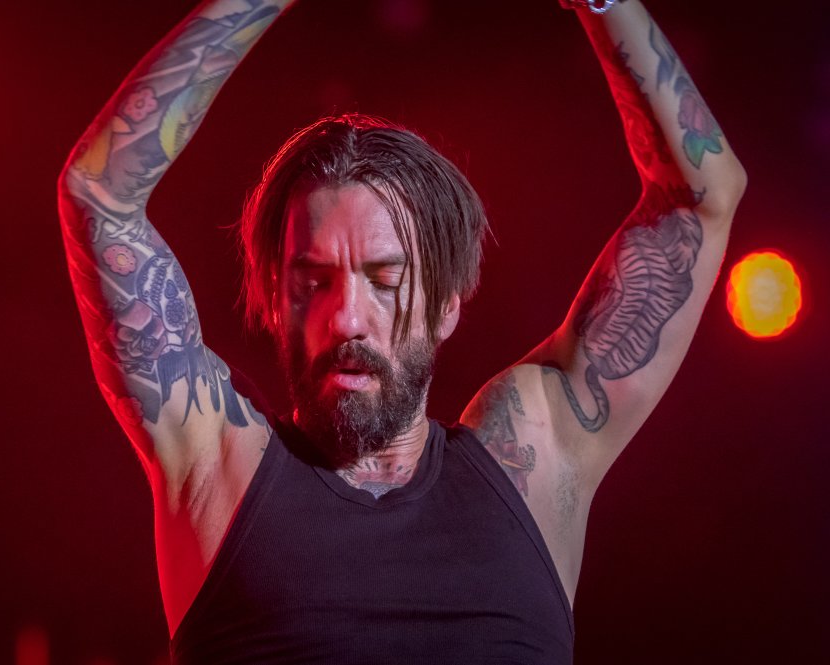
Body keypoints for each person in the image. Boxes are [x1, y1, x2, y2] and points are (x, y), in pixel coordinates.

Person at [57, 0, 746, 661]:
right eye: (313, 282)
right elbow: (98, 195)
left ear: (448, 304)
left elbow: (701, 196)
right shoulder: (218, 463)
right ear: (274, 298)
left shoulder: (534, 456)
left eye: (385, 281)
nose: (347, 318)